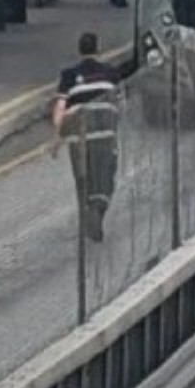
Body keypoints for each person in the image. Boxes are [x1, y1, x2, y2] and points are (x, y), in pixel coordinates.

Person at [52, 33, 121, 242]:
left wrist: (57, 137)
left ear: (79, 50)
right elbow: (120, 103)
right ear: (98, 49)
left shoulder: (69, 75)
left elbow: (61, 107)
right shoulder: (111, 73)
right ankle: (98, 209)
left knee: (83, 177)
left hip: (78, 137)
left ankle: (86, 213)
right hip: (104, 133)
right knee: (105, 176)